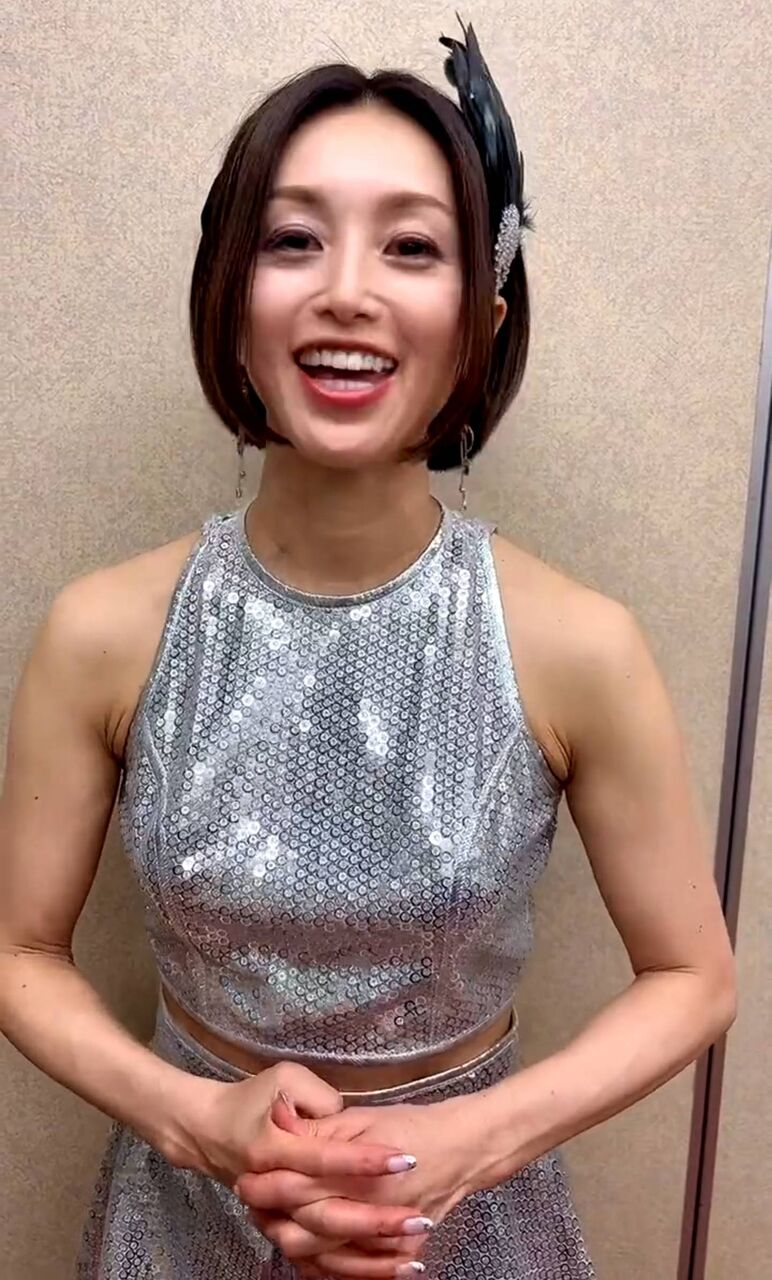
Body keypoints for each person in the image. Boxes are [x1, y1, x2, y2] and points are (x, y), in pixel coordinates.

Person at [0, 18, 736, 1280]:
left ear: (478, 320)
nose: (348, 289)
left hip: (471, 1223)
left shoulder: (579, 644)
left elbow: (693, 975)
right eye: (293, 239)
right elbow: (19, 955)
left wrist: (465, 1144)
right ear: (229, 300)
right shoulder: (103, 631)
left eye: (411, 246)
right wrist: (196, 1119)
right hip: (181, 1220)